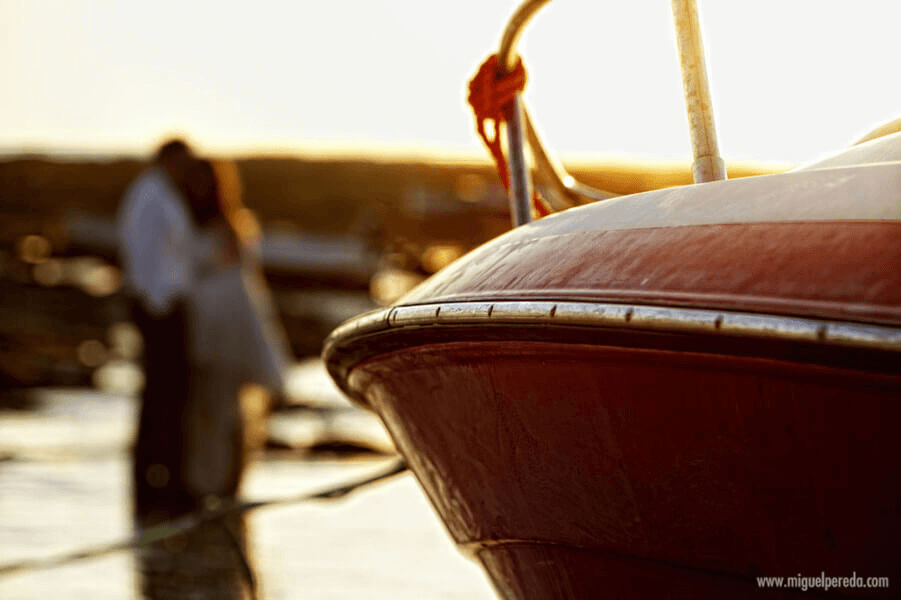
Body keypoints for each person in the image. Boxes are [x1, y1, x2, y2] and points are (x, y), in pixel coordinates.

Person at [116, 139, 199, 520]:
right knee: (161, 397)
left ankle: (161, 482)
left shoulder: (160, 193)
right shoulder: (150, 196)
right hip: (159, 308)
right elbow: (147, 255)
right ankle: (154, 485)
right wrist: (159, 306)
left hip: (164, 305)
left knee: (168, 397)